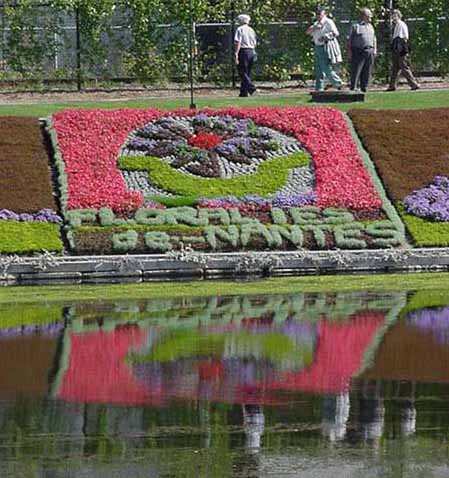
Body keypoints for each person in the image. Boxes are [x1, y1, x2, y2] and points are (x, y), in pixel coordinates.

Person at [306, 6, 343, 92]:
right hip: (317, 47)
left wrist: (325, 37)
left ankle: (338, 83)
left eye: (320, 14)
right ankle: (319, 88)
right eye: (317, 14)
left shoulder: (328, 22)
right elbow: (307, 32)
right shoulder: (316, 23)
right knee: (318, 69)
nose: (318, 15)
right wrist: (315, 27)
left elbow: (336, 33)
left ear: (324, 14)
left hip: (325, 47)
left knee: (326, 67)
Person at [386, 9, 420, 91]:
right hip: (396, 48)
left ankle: (414, 84)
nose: (393, 17)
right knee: (395, 68)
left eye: (394, 15)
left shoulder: (401, 24)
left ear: (398, 16)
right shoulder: (396, 25)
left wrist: (401, 49)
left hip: (401, 48)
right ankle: (392, 86)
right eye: (392, 16)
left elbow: (404, 37)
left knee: (403, 66)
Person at [348, 8, 377, 92]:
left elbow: (374, 38)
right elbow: (349, 40)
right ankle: (353, 88)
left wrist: (375, 50)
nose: (370, 18)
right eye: (369, 16)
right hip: (358, 51)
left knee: (367, 71)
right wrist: (349, 51)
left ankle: (364, 88)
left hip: (369, 51)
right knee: (356, 70)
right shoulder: (355, 26)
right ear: (363, 16)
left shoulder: (371, 26)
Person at [234, 14, 257, 97]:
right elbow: (254, 42)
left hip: (243, 51)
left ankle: (251, 88)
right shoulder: (251, 30)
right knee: (247, 72)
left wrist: (236, 53)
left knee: (242, 72)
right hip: (251, 51)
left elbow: (238, 42)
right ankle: (243, 92)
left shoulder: (240, 29)